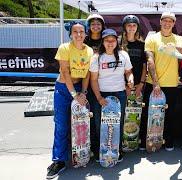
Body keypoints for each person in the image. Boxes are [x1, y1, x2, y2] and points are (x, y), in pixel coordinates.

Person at [46, 21, 93, 179]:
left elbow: (87, 74)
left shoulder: (90, 51)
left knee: (80, 125)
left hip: (80, 89)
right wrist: (74, 94)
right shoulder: (64, 48)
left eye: (81, 32)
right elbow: (65, 72)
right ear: (71, 34)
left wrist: (84, 92)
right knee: (61, 125)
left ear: (86, 34)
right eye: (75, 32)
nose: (79, 35)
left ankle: (79, 155)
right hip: (64, 89)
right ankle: (59, 161)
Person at [140, 12, 182, 151]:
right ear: (160, 22)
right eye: (164, 21)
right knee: (149, 114)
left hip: (171, 84)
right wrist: (155, 82)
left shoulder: (179, 38)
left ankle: (168, 141)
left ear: (173, 23)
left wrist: (173, 48)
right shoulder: (152, 38)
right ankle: (145, 142)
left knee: (170, 115)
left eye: (170, 21)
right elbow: (150, 60)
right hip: (152, 83)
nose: (167, 23)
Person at [90, 28, 134, 162]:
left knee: (117, 124)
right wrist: (99, 98)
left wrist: (130, 79)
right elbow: (93, 79)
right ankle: (101, 151)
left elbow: (128, 72)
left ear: (117, 41)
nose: (110, 43)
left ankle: (117, 150)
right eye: (107, 40)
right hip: (102, 94)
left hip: (119, 94)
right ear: (103, 42)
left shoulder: (123, 55)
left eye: (113, 40)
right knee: (100, 124)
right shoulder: (97, 58)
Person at [84, 13, 106, 161]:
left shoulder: (106, 40)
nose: (96, 26)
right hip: (85, 81)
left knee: (99, 117)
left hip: (101, 83)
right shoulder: (84, 40)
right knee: (88, 117)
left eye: (98, 24)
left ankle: (99, 146)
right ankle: (88, 146)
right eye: (93, 24)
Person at [119, 15, 147, 97]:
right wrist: (124, 85)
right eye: (129, 25)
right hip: (121, 86)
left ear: (137, 27)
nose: (132, 27)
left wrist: (141, 85)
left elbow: (144, 67)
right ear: (124, 27)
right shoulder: (118, 43)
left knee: (135, 109)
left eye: (134, 25)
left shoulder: (142, 44)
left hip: (138, 86)